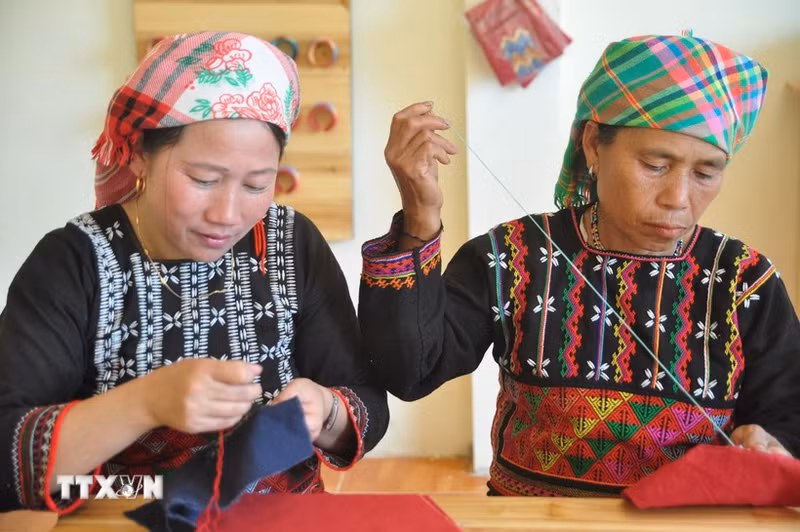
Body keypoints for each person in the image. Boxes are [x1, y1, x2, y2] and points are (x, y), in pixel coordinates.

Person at [359, 34, 799, 497]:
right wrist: (418, 217)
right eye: (654, 165)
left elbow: (788, 412)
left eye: (707, 172)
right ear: (593, 144)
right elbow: (408, 372)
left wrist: (770, 443)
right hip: (529, 527)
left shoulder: (743, 282)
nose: (679, 198)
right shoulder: (515, 255)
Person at [0, 31, 388, 513]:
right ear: (141, 152)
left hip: (278, 513)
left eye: (257, 184)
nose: (227, 213)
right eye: (204, 180)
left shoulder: (290, 243)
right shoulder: (76, 262)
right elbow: (6, 458)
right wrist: (146, 403)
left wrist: (325, 411)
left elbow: (367, 401)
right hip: (128, 514)